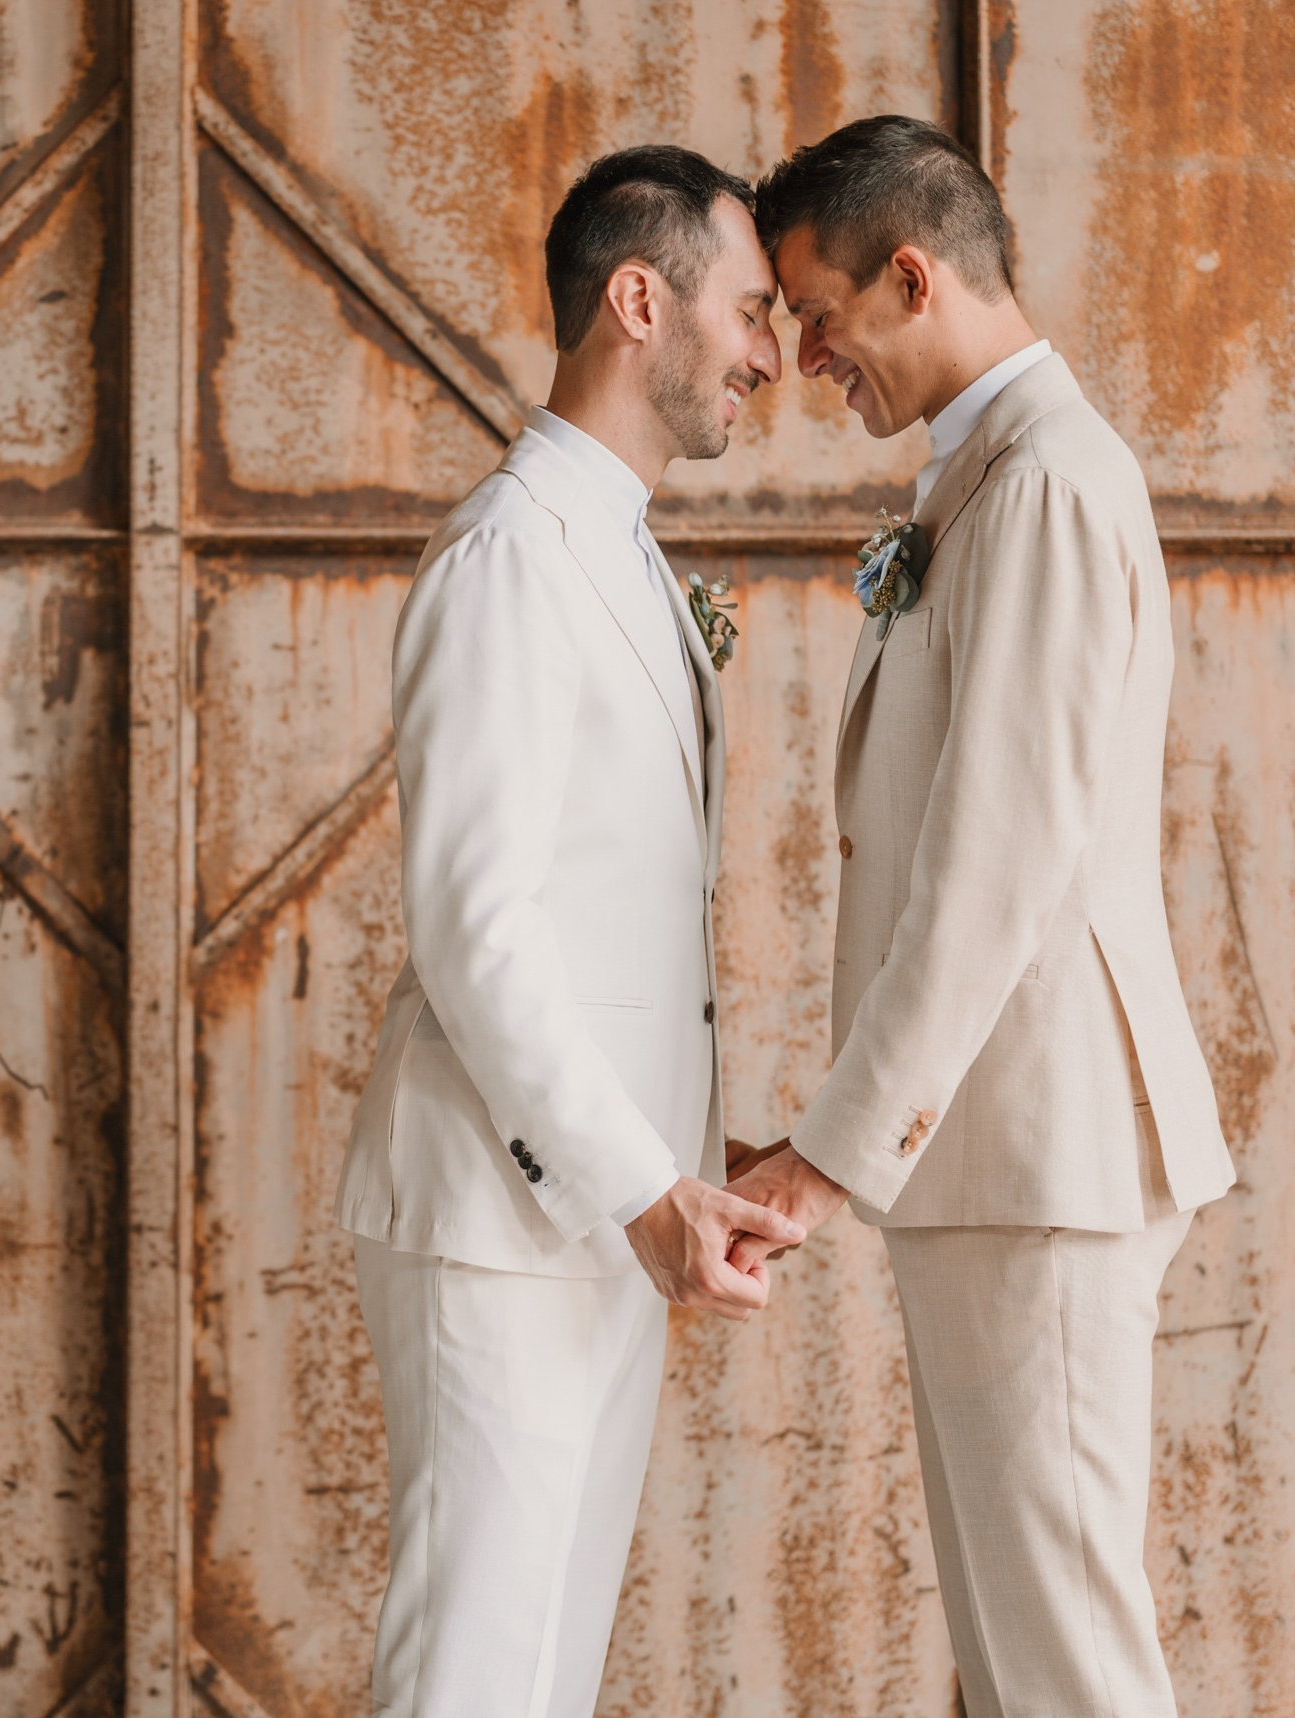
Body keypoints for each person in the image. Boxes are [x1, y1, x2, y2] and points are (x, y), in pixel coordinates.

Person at [729, 115, 1235, 1716]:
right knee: (1017, 1662)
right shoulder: (987, 475)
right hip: (992, 1156)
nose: (805, 357)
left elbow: (992, 860)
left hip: (1040, 1148)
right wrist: (834, 1131)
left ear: (910, 274)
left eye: (817, 315)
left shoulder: (1044, 485)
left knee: (1065, 1665)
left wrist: (830, 1150)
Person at [333, 145, 798, 1718]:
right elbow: (476, 927)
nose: (767, 354)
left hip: (606, 1207)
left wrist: (682, 1160)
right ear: (638, 301)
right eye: (748, 310)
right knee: (473, 1672)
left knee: (539, 1673)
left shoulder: (621, 551)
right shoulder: (508, 553)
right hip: (502, 1214)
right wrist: (639, 1187)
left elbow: (611, 913)